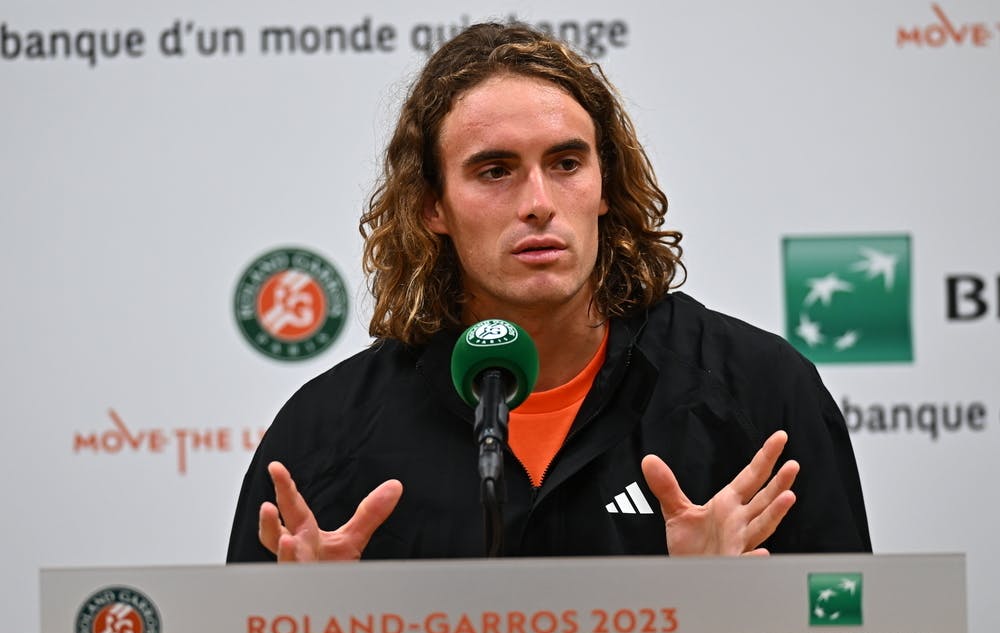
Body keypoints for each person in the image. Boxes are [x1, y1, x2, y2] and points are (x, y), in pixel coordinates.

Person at [227, 22, 871, 563]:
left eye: (566, 164)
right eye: (495, 171)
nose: (538, 204)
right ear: (432, 207)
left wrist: (715, 613)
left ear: (604, 184)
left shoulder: (757, 394)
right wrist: (308, 631)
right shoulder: (326, 437)